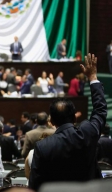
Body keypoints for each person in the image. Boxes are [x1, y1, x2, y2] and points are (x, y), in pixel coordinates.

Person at [29, 53, 107, 191]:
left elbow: (36, 183)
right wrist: (93, 77)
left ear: (51, 121)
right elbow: (100, 110)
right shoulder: (88, 133)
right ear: (74, 118)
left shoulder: (42, 147)